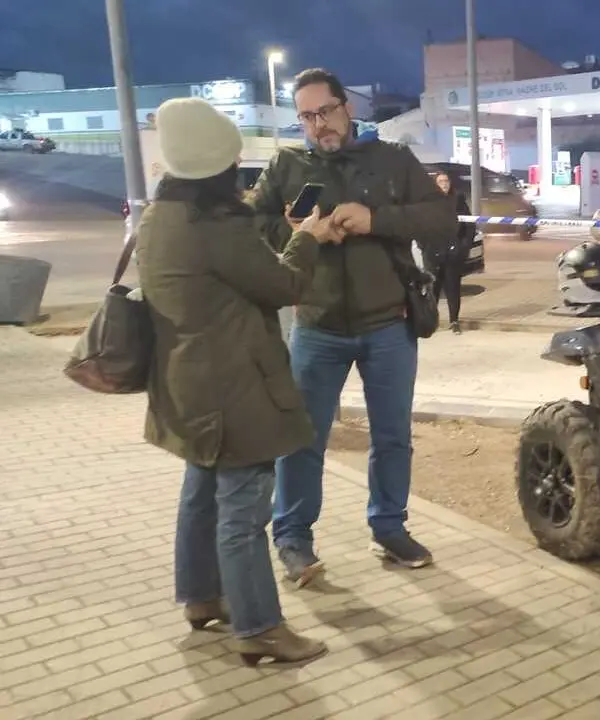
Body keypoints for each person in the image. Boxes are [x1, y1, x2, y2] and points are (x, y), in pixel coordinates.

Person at [136, 97, 342, 665]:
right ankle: (259, 628)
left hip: (185, 384)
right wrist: (309, 236)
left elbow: (228, 268)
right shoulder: (215, 227)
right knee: (245, 512)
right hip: (235, 390)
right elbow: (284, 285)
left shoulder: (160, 217)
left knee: (200, 493)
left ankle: (202, 597)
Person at [249, 68, 459, 587]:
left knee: (392, 437)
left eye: (326, 111)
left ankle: (389, 527)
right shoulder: (285, 165)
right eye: (307, 115)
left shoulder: (389, 160)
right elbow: (253, 227)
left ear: (348, 108)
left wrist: (375, 219)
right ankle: (293, 537)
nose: (319, 124)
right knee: (302, 438)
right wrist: (299, 232)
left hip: (389, 324)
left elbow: (442, 219)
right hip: (316, 325)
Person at [427, 171, 477, 334]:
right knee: (433, 288)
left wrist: (464, 246)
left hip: (453, 252)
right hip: (434, 252)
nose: (444, 184)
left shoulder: (458, 198)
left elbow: (469, 224)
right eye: (441, 181)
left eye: (446, 180)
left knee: (453, 288)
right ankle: (431, 320)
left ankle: (454, 321)